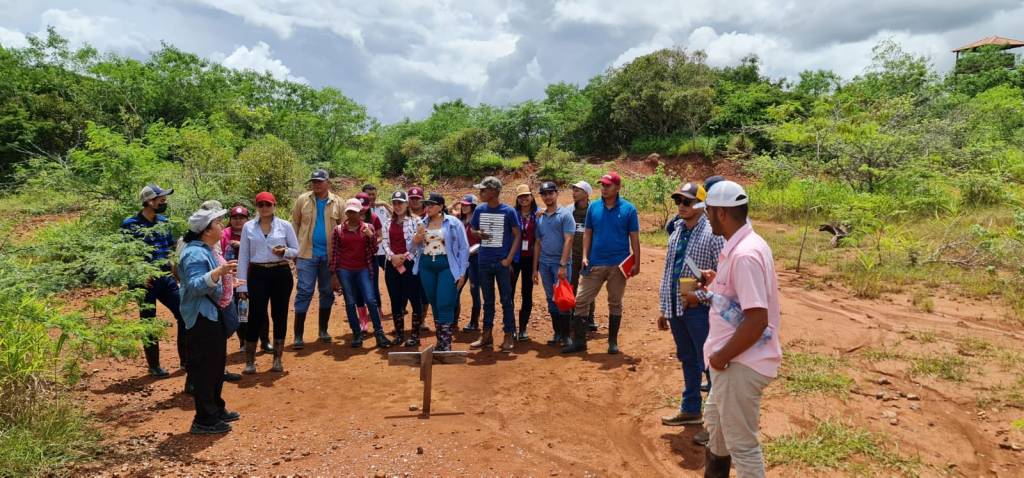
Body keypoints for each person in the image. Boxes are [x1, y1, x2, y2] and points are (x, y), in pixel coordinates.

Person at [698, 180, 782, 478]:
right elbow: (741, 300)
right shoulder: (743, 246)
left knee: (742, 447)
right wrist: (716, 284)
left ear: (721, 213)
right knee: (717, 430)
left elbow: (757, 319)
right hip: (733, 361)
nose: (707, 217)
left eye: (708, 211)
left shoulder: (745, 255)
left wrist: (721, 357)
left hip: (739, 362)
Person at [657, 182, 724, 428]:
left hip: (701, 309)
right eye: (678, 201)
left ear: (701, 204)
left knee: (708, 362)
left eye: (687, 201)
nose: (681, 206)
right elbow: (668, 271)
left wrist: (700, 297)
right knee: (687, 358)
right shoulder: (676, 231)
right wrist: (664, 308)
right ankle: (691, 408)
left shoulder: (713, 234)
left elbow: (724, 278)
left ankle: (716, 420)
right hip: (676, 307)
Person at [177, 205, 240, 434]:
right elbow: (195, 286)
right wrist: (218, 273)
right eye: (217, 223)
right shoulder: (194, 253)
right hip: (202, 316)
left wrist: (228, 282)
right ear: (206, 230)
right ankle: (204, 420)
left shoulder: (207, 249)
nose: (222, 226)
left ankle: (216, 409)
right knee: (206, 368)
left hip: (212, 313)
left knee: (216, 365)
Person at [565, 172, 640, 355]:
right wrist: (585, 256)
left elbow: (634, 238)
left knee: (615, 302)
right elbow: (588, 233)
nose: (604, 188)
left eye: (608, 185)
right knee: (581, 300)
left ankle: (612, 342)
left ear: (618, 188)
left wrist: (637, 262)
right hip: (594, 262)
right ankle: (580, 342)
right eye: (602, 185)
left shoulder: (629, 209)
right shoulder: (594, 207)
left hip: (618, 265)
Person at [121, 184, 183, 378]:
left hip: (165, 277)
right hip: (144, 282)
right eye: (161, 199)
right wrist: (140, 274)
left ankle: (187, 360)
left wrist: (176, 274)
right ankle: (154, 365)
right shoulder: (130, 224)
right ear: (149, 201)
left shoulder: (164, 221)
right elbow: (126, 255)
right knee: (149, 321)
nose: (164, 202)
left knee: (184, 313)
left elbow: (170, 250)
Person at [237, 192, 298, 373]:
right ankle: (250, 361)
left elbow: (296, 250)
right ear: (256, 207)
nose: (264, 208)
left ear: (274, 206)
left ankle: (277, 359)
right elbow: (243, 257)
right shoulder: (248, 227)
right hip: (258, 273)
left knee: (280, 314)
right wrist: (241, 285)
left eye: (268, 204)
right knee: (255, 315)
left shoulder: (285, 226)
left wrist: (284, 252)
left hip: (281, 272)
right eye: (261, 205)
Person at [290, 169, 344, 349]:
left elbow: (343, 229)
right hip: (306, 254)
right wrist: (294, 251)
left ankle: (323, 330)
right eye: (314, 181)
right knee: (304, 291)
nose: (316, 184)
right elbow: (295, 224)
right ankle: (298, 335)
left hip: (329, 256)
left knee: (327, 291)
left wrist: (340, 258)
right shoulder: (302, 200)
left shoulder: (338, 202)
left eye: (320, 181)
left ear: (328, 182)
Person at [330, 198, 392, 349]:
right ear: (346, 213)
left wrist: (371, 236)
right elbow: (335, 253)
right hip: (345, 270)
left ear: (360, 213)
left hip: (363, 269)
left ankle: (379, 333)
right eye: (349, 212)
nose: (352, 215)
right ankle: (357, 333)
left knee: (370, 300)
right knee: (350, 302)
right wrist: (334, 274)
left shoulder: (368, 228)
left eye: (355, 212)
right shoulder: (338, 230)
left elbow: (374, 250)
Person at [469, 176, 521, 352]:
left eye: (483, 190)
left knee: (506, 300)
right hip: (483, 261)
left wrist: (509, 259)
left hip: (501, 263)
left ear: (493, 191)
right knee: (488, 301)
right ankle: (486, 335)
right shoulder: (479, 209)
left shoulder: (508, 211)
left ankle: (509, 335)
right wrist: (477, 234)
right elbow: (472, 229)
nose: (480, 193)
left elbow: (517, 234)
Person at [412, 193, 470, 351]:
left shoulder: (453, 222)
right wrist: (416, 239)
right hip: (426, 266)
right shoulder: (421, 223)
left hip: (447, 265)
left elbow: (464, 248)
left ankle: (445, 344)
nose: (428, 207)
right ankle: (441, 342)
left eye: (432, 205)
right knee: (434, 302)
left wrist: (462, 272)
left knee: (445, 301)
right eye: (427, 205)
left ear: (441, 206)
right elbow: (412, 247)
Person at [222, 204, 271, 352]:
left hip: (254, 275)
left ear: (247, 219)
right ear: (230, 219)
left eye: (241, 218)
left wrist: (243, 245)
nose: (238, 221)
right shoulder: (224, 234)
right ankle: (243, 341)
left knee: (260, 308)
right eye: (235, 218)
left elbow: (264, 250)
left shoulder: (254, 231)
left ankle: (265, 341)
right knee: (240, 310)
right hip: (233, 278)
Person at [532, 181, 575, 347]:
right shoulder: (540, 217)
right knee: (551, 298)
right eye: (544, 194)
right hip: (544, 263)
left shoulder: (565, 215)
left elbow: (568, 240)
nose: (548, 197)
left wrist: (563, 265)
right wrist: (535, 269)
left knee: (562, 298)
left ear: (557, 194)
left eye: (550, 193)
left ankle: (566, 336)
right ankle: (557, 333)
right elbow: (538, 243)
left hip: (560, 263)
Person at [381, 190, 424, 346]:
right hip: (392, 264)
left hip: (410, 264)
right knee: (395, 299)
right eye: (395, 203)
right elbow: (385, 242)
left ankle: (415, 335)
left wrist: (404, 257)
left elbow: (419, 243)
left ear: (407, 204)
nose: (397, 206)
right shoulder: (387, 222)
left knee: (414, 299)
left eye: (400, 203)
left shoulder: (416, 221)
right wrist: (393, 257)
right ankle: (399, 334)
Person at [509, 184, 538, 341]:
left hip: (530, 259)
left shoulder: (538, 214)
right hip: (514, 258)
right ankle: (511, 327)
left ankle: (523, 328)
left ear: (531, 197)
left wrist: (535, 268)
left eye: (526, 195)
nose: (523, 199)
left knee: (527, 293)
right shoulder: (512, 214)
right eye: (520, 196)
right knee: (509, 292)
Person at [568, 181, 597, 332]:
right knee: (572, 285)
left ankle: (589, 317)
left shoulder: (594, 211)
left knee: (588, 286)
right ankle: (573, 316)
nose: (574, 193)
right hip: (572, 255)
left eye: (577, 190)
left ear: (586, 193)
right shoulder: (569, 211)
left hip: (589, 255)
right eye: (573, 190)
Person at [362, 183, 392, 311]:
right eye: (368, 194)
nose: (371, 197)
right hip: (369, 252)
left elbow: (398, 215)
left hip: (385, 250)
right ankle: (377, 309)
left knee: (393, 279)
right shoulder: (359, 211)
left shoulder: (382, 208)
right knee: (372, 282)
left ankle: (399, 305)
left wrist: (385, 204)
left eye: (373, 194)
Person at [456, 194, 482, 333]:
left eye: (467, 205)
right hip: (461, 260)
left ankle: (474, 321)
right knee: (456, 288)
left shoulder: (478, 221)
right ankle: (453, 320)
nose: (464, 207)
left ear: (473, 206)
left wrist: (470, 251)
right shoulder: (460, 220)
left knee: (474, 290)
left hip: (474, 259)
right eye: (462, 204)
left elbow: (482, 241)